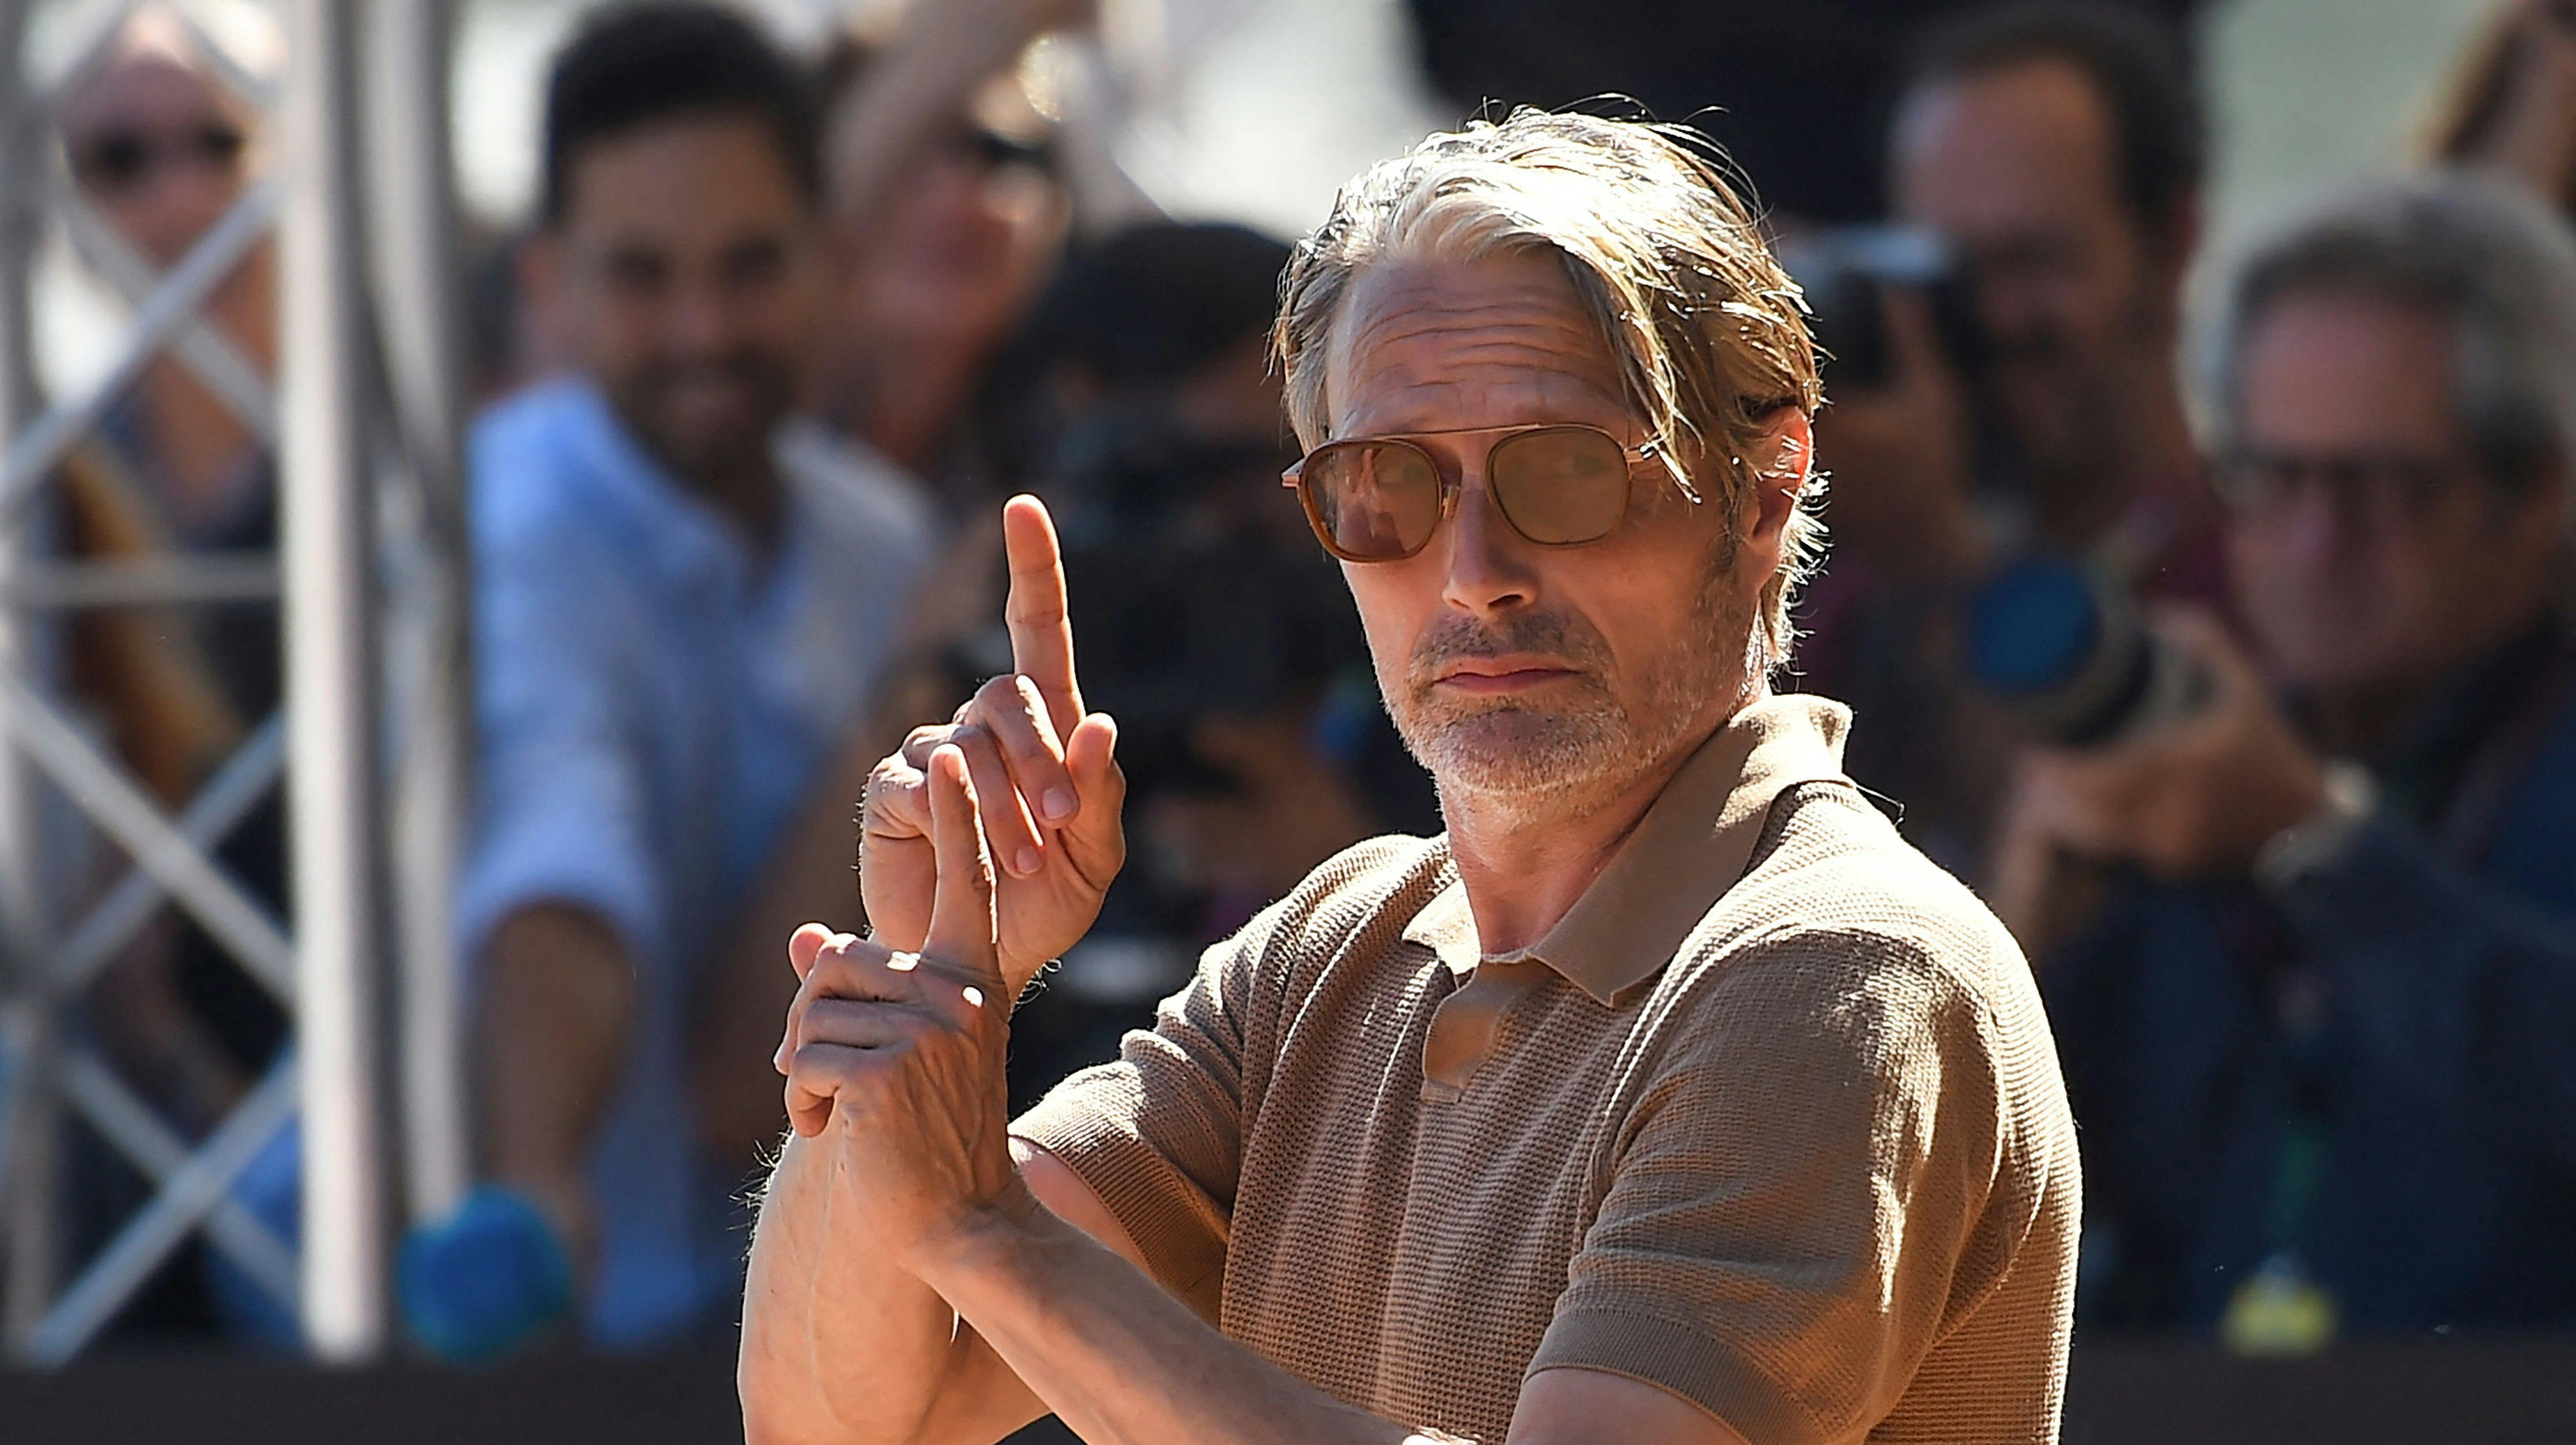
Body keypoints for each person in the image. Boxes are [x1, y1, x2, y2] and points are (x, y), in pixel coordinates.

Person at [742, 110, 2081, 1444]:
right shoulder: (1332, 951)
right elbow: (855, 1415)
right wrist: (922, 994)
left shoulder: (1834, 965)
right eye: (1385, 487)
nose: (1471, 566)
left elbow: (968, 1273)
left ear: (1762, 487)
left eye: (1563, 470)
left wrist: (983, 1231)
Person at [1996, 174, 2576, 1342]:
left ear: (2538, 491)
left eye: (2380, 488)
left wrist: (2313, 845)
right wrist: (2006, 949)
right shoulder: (2202, 765)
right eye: (2270, 478)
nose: (2314, 546)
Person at [452, 2, 933, 1350]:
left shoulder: (875, 535)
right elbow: (556, 860)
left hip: (754, 1319)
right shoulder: (506, 527)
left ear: (832, 263)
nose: (702, 327)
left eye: (748, 264)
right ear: (545, 283)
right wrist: (541, 1167)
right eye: (642, 274)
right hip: (499, 1336)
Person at [1799, 1, 2222, 875]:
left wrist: (1943, 559)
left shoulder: (2276, 556)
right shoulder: (1855, 587)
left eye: (2034, 262)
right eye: (1946, 270)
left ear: (2171, 243)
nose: (1986, 319)